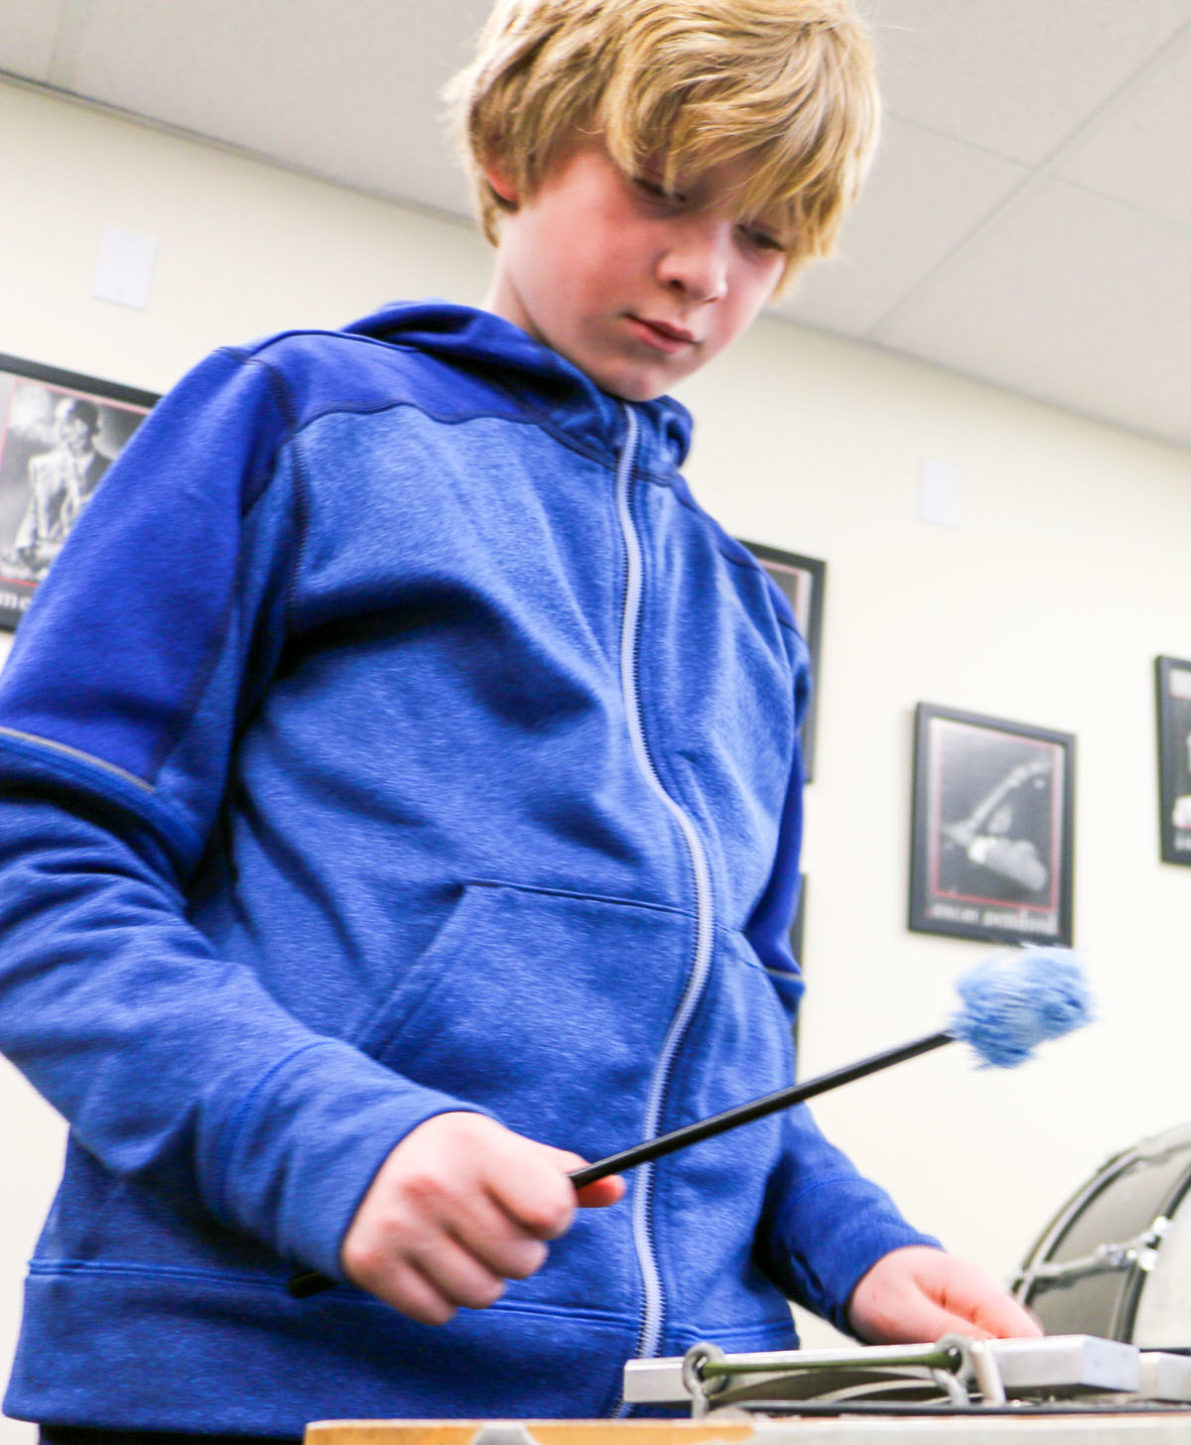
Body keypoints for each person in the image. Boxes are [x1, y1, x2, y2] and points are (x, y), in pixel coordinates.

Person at [0, 3, 1034, 1439]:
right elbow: (37, 862)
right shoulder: (296, 420)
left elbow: (727, 1045)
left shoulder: (750, 623)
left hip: (671, 1408)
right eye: (668, 192)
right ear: (510, 153)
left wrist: (856, 1244)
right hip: (263, 1388)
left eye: (765, 237)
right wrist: (326, 1137)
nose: (703, 273)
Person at [7, 395, 110, 577]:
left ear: (83, 427)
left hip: (84, 572)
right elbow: (33, 514)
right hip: (39, 569)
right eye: (56, 422)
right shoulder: (42, 465)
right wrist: (23, 549)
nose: (58, 429)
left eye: (65, 422)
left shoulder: (111, 471)